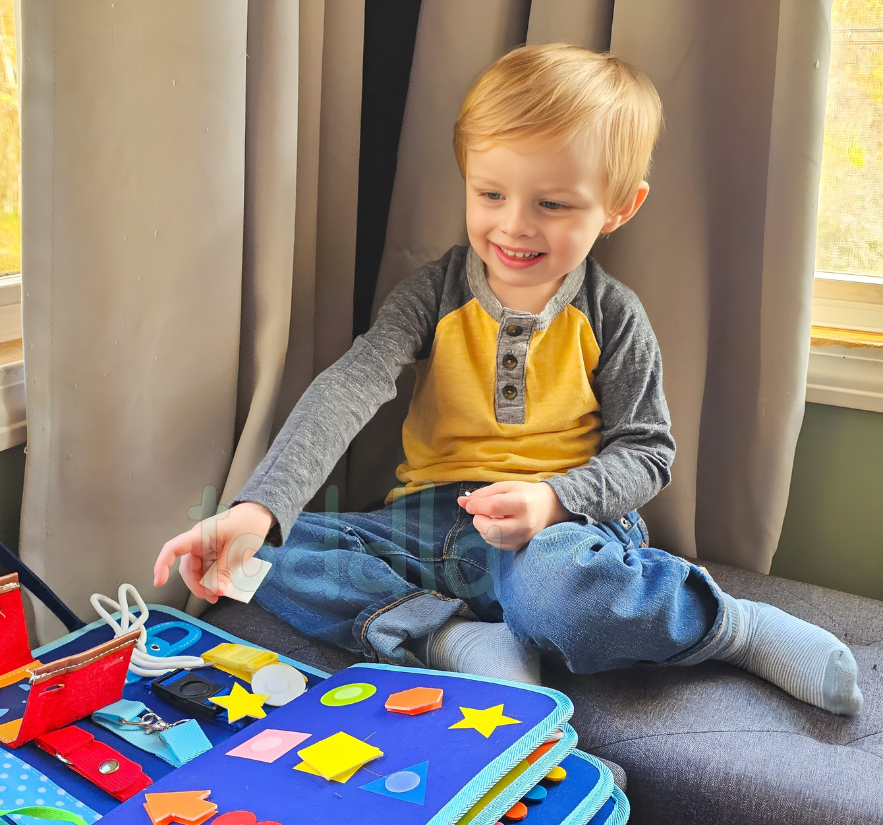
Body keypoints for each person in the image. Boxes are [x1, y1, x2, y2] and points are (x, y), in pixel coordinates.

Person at [154, 43, 862, 717]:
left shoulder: (612, 315)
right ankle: (449, 637)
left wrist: (552, 500)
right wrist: (259, 508)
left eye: (552, 204)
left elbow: (648, 453)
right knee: (258, 554)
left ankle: (731, 625)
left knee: (560, 598)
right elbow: (350, 385)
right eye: (491, 193)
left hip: (560, 530)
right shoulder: (431, 295)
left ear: (619, 207)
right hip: (429, 524)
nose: (513, 226)